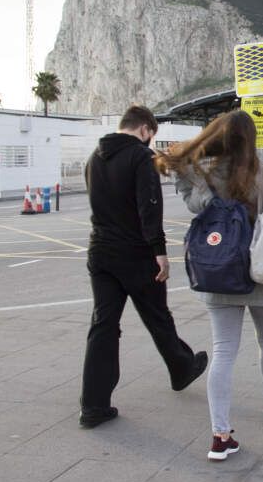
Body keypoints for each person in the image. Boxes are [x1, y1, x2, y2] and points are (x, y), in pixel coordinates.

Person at [157, 110, 263, 461]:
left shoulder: (204, 176)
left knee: (224, 350)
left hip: (219, 269)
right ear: (252, 141)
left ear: (219, 137)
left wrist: (188, 172)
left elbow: (193, 205)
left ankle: (220, 436)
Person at [79, 105, 207, 429]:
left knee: (103, 325)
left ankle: (93, 405)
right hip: (135, 254)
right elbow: (149, 207)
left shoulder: (95, 157)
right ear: (146, 129)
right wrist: (159, 251)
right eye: (152, 136)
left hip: (100, 251)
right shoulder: (140, 157)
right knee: (157, 316)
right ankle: (181, 368)